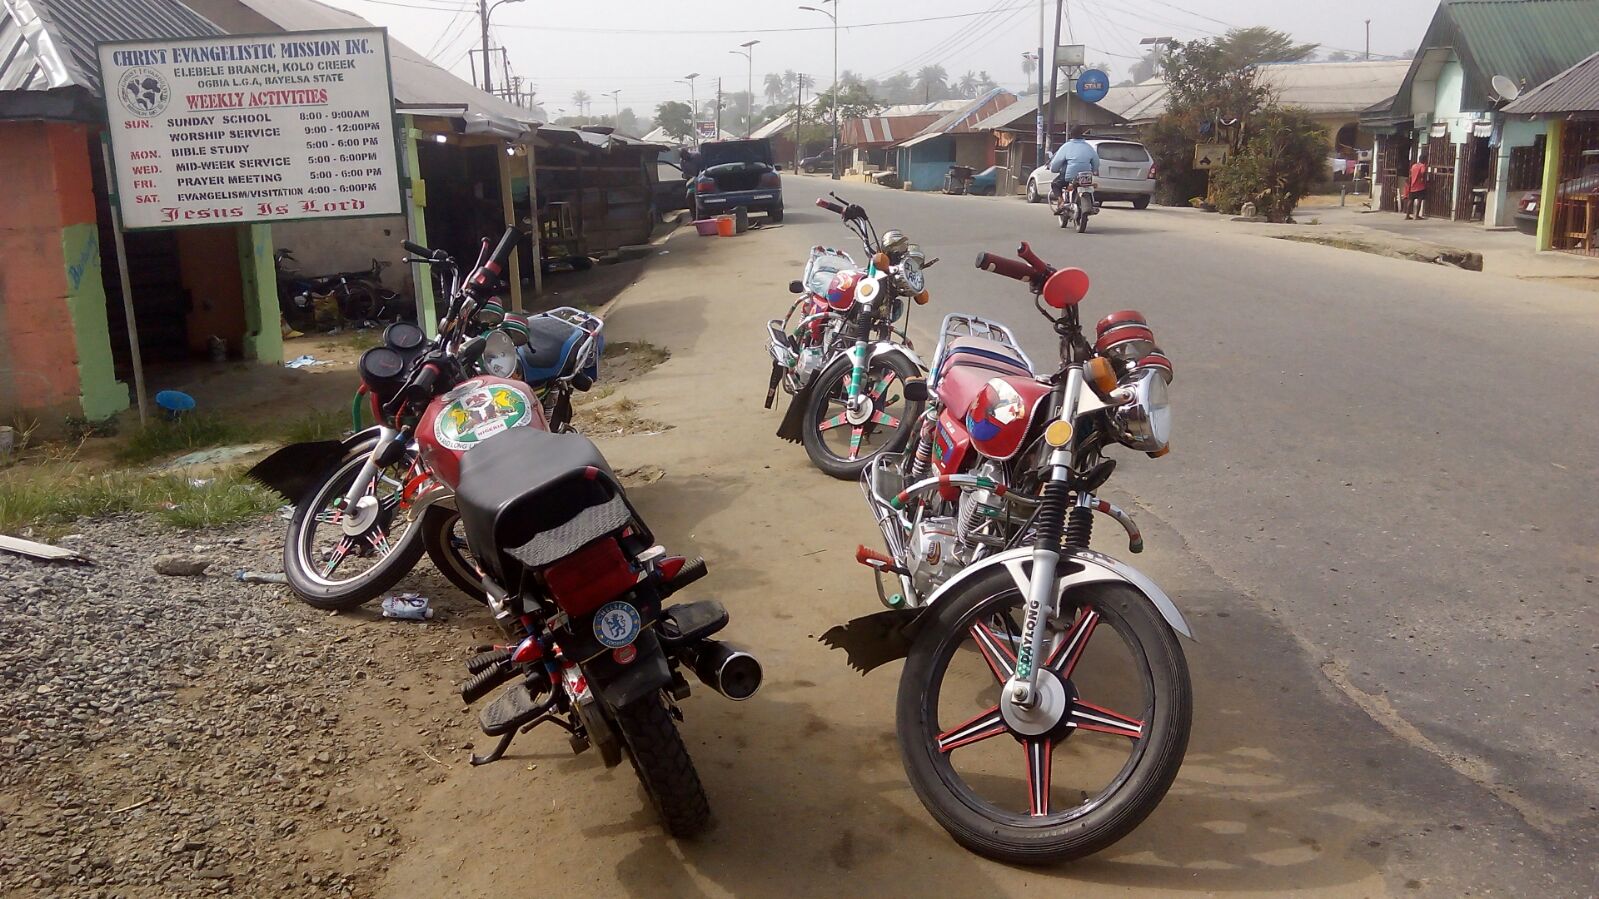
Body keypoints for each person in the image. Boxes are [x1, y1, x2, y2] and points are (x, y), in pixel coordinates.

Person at [1048, 125, 1099, 208]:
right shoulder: (1089, 147)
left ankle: (1060, 199)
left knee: (1055, 184)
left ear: (1071, 134)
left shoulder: (1066, 146)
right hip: (1086, 176)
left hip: (1070, 177)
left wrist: (1054, 169)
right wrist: (1094, 170)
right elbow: (1096, 162)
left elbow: (1056, 162)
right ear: (1082, 134)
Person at [1406, 150, 1429, 220]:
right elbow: (1423, 172)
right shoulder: (1422, 166)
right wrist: (1424, 179)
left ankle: (1407, 215)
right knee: (1419, 200)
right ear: (1424, 160)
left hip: (1412, 186)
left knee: (1410, 200)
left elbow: (1410, 175)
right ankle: (1417, 215)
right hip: (1420, 186)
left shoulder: (1414, 166)